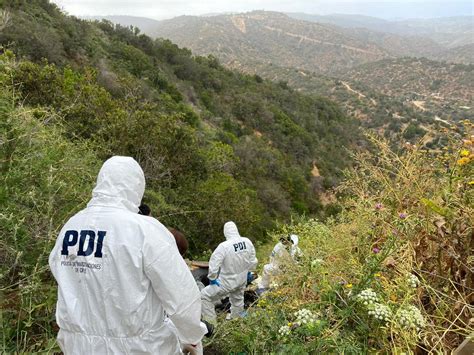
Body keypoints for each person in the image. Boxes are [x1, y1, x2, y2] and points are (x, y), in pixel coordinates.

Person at [48, 156, 206, 354]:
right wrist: (192, 336)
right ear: (136, 186)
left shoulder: (71, 226)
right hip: (138, 347)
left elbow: (62, 275)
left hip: (77, 346)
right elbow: (182, 295)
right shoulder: (144, 230)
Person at [201, 221, 258, 324]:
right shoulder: (247, 242)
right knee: (237, 300)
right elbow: (253, 260)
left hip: (227, 282)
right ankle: (237, 321)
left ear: (225, 232)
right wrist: (249, 271)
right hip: (241, 280)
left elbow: (214, 263)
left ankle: (211, 324)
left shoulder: (224, 246)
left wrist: (212, 278)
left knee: (204, 296)